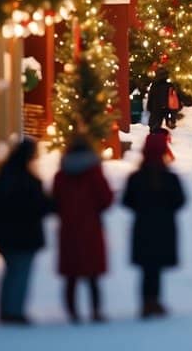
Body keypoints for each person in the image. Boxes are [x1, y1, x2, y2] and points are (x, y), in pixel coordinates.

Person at [0, 138, 52, 325]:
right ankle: (15, 310)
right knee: (20, 272)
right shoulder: (30, 182)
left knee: (10, 271)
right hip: (26, 234)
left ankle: (6, 308)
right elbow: (42, 206)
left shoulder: (3, 178)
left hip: (6, 234)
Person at [123, 132, 187, 319]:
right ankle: (154, 301)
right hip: (164, 227)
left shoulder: (136, 177)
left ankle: (146, 301)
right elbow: (180, 200)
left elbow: (127, 201)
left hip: (142, 226)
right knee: (156, 266)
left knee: (146, 267)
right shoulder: (169, 178)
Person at [53, 135, 114, 323]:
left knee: (71, 275)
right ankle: (95, 311)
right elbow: (106, 199)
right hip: (91, 227)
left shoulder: (62, 175)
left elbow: (55, 201)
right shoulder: (94, 173)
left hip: (68, 228)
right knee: (92, 274)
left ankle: (72, 312)